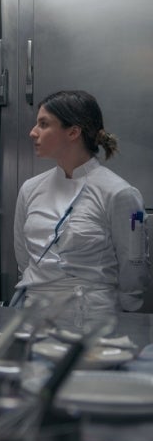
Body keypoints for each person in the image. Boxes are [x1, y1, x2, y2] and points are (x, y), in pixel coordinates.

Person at [13, 89, 151, 334]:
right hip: (33, 319)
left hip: (93, 322)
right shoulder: (30, 189)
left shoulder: (119, 193)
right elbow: (24, 258)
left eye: (43, 124)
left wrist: (126, 316)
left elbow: (133, 267)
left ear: (73, 132)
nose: (33, 132)